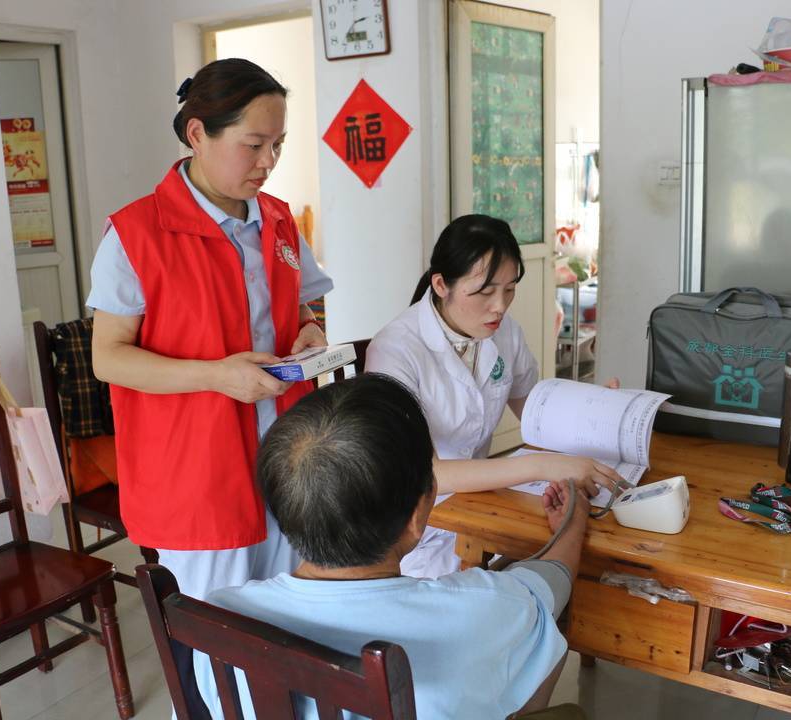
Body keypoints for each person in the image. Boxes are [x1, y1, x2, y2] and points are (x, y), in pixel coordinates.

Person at [198, 374, 590, 719]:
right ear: (418, 514)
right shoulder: (483, 609)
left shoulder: (218, 617)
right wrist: (572, 522)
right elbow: (552, 581)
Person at [88, 58, 333, 605]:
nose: (268, 162)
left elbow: (299, 302)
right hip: (198, 467)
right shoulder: (137, 233)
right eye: (254, 145)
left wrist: (310, 330)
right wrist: (217, 376)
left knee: (292, 611)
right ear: (197, 134)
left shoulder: (277, 219)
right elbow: (109, 357)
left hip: (288, 452)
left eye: (278, 145)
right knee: (220, 630)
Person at [365, 214, 623, 578]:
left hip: (477, 506)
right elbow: (429, 473)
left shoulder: (503, 333)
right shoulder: (395, 350)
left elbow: (535, 412)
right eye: (485, 292)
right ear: (441, 284)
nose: (500, 306)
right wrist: (542, 466)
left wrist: (593, 411)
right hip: (413, 529)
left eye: (509, 289)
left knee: (589, 548)